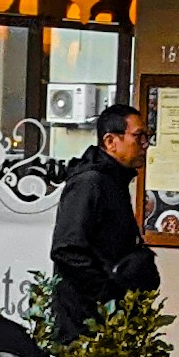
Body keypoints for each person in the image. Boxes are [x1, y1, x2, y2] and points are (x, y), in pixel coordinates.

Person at [48, 98, 159, 338]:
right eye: (138, 136)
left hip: (104, 319)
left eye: (147, 137)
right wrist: (108, 296)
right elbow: (67, 249)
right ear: (110, 141)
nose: (144, 145)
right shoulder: (90, 182)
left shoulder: (112, 180)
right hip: (85, 322)